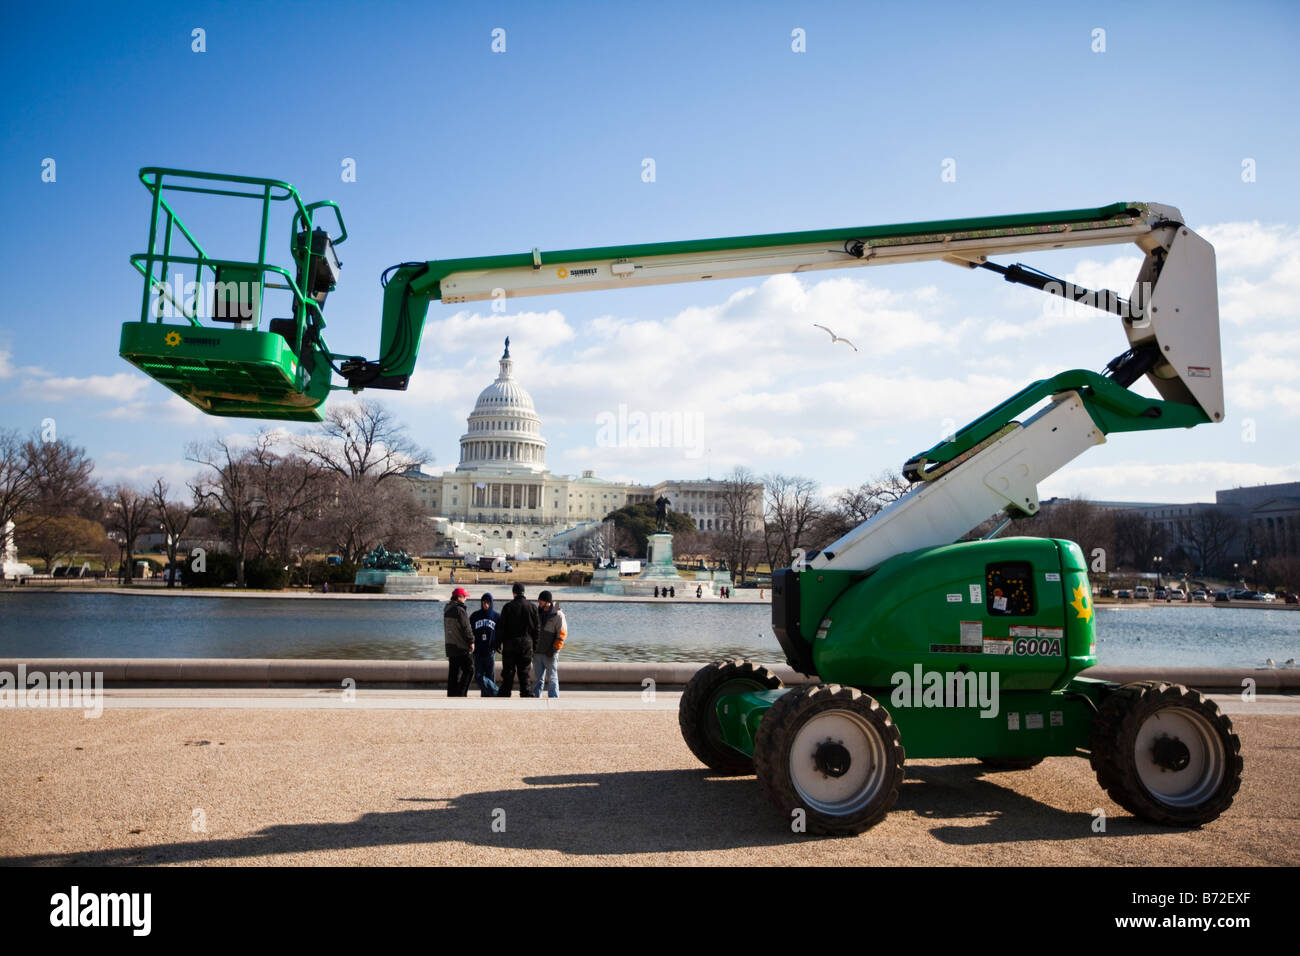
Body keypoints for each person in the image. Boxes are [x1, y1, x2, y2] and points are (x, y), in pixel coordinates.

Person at [497, 582, 539, 697]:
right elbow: (537, 629)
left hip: (510, 644)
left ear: (513, 593)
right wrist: (535, 646)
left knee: (508, 671)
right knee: (524, 671)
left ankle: (505, 692)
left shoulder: (507, 607)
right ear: (524, 593)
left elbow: (501, 628)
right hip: (526, 643)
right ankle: (526, 692)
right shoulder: (532, 607)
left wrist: (498, 643)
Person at [532, 589, 566, 698]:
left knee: (552, 678)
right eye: (539, 601)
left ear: (548, 602)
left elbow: (562, 635)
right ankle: (536, 698)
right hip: (537, 653)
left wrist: (554, 649)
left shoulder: (558, 615)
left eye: (541, 601)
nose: (539, 603)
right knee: (538, 679)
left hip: (550, 653)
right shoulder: (537, 612)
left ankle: (554, 699)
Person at [443, 587, 475, 697]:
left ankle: (451, 695)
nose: (466, 599)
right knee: (469, 669)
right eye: (464, 597)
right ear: (459, 597)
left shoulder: (447, 608)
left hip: (450, 646)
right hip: (461, 646)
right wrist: (471, 641)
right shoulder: (460, 610)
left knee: (453, 672)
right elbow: (466, 627)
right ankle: (461, 694)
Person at [470, 592, 500, 697]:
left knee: (490, 677)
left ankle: (489, 698)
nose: (485, 605)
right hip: (478, 652)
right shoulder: (475, 616)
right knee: (479, 677)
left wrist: (498, 646)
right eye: (484, 602)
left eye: (488, 603)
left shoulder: (496, 617)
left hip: (490, 652)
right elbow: (469, 632)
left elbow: (500, 633)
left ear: (491, 603)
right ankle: (498, 692)